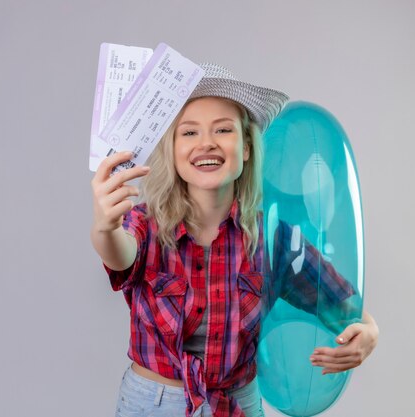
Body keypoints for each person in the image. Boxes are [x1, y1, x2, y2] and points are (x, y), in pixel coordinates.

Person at [90, 63, 378, 417]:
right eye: (189, 133)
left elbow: (343, 307)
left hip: (237, 404)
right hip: (153, 404)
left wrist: (369, 331)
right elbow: (120, 254)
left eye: (223, 129)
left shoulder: (274, 240)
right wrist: (105, 227)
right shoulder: (145, 225)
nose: (207, 143)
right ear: (173, 150)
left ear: (245, 148)